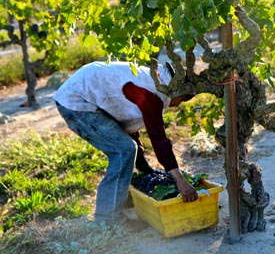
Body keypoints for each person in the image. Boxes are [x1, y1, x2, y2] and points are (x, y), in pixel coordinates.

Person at [53, 61, 198, 223]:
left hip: (83, 92)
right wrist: (180, 181)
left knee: (126, 147)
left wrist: (146, 170)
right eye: (183, 100)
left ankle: (121, 198)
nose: (178, 105)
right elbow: (159, 140)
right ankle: (106, 219)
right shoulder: (151, 94)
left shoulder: (153, 80)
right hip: (76, 101)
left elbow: (129, 130)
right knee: (123, 150)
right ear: (177, 91)